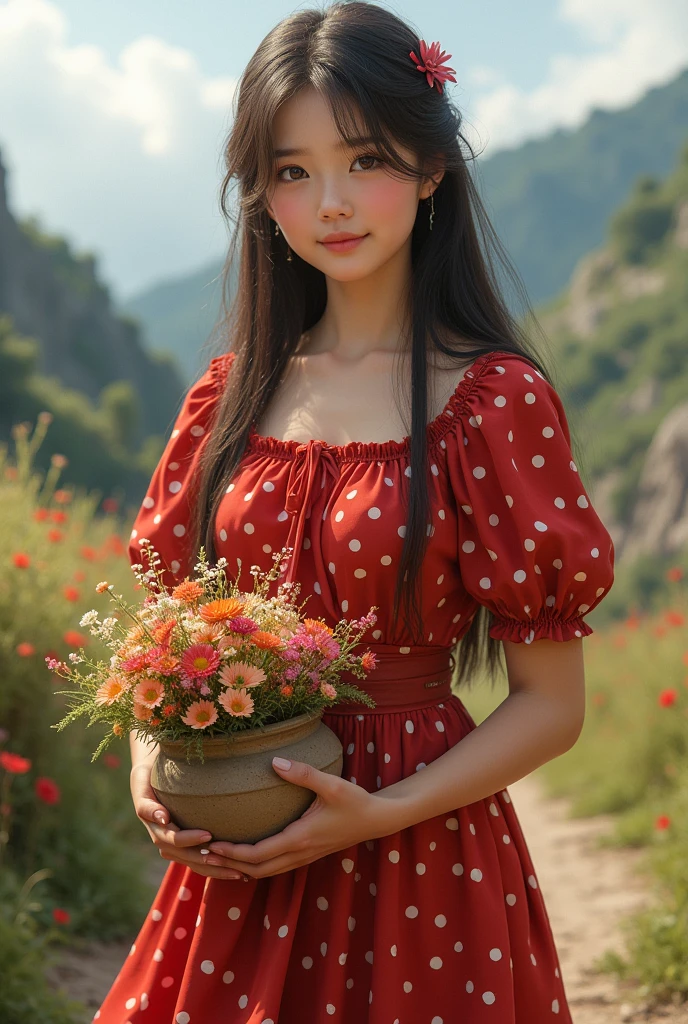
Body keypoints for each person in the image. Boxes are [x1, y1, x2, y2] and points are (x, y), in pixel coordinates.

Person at [94, 3, 615, 1021]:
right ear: (259, 195)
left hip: (419, 849)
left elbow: (552, 701)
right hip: (237, 845)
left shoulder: (492, 400)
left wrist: (371, 815)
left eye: (363, 159)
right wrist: (149, 771)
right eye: (290, 171)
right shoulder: (230, 394)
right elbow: (162, 644)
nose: (329, 202)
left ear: (430, 169)